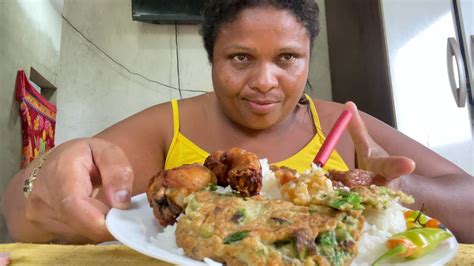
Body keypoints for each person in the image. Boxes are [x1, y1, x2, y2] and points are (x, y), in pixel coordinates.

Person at [3, 0, 473, 245]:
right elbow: (17, 211)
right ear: (212, 58)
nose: (264, 82)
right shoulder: (169, 128)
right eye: (241, 57)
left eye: (287, 58)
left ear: (308, 56)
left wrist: (382, 191)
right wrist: (45, 180)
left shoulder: (344, 127)